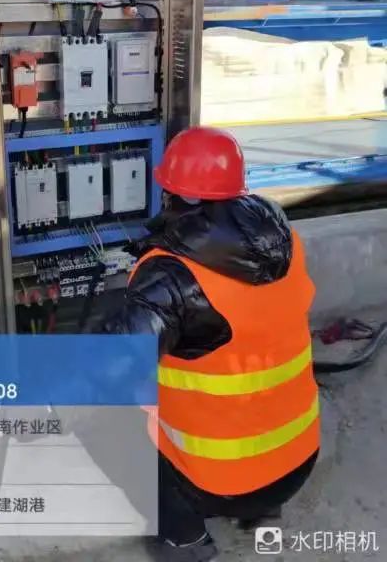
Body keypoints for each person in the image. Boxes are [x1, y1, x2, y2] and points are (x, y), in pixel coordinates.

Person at [101, 126, 320, 561]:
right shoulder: (286, 243)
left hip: (222, 483)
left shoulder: (171, 275)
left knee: (104, 420)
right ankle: (263, 511)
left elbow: (105, 367)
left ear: (173, 193)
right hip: (298, 461)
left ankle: (184, 539)